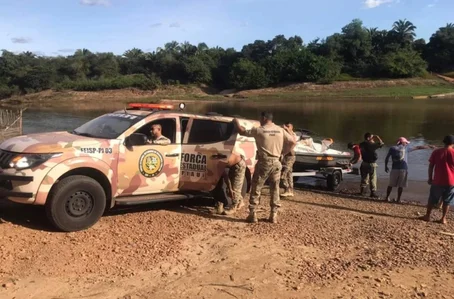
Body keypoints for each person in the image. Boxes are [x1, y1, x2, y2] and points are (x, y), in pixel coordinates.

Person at [233, 112, 296, 224]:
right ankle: (273, 215)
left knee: (256, 187)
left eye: (260, 118)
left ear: (264, 118)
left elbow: (242, 131)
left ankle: (253, 214)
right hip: (276, 162)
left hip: (264, 162)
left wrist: (235, 122)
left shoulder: (259, 130)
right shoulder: (280, 130)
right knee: (275, 188)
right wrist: (283, 152)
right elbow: (292, 142)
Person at [384, 137, 436, 203]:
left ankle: (386, 197)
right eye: (406, 143)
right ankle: (398, 199)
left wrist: (386, 166)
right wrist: (429, 146)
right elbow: (418, 147)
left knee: (390, 184)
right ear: (402, 142)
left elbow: (387, 158)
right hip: (403, 169)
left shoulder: (392, 148)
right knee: (401, 185)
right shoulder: (406, 148)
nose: (406, 144)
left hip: (394, 169)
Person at [419, 135, 454, 225]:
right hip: (451, 181)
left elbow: (431, 166)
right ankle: (443, 218)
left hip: (438, 180)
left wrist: (430, 178)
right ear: (452, 143)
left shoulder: (436, 152)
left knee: (432, 199)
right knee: (447, 200)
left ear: (444, 142)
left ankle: (427, 216)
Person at [359, 132, 384, 198]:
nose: (373, 139)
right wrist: (378, 138)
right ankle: (373, 193)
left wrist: (372, 139)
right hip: (371, 164)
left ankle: (362, 192)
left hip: (364, 163)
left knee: (364, 178)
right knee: (373, 178)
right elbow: (381, 144)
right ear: (368, 138)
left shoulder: (361, 144)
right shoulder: (371, 144)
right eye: (372, 137)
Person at [281, 122, 298, 197]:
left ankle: (287, 189)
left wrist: (287, 129)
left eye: (288, 126)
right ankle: (290, 190)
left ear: (292, 127)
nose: (286, 128)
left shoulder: (293, 134)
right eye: (286, 126)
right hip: (285, 156)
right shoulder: (284, 134)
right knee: (289, 173)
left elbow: (293, 141)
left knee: (283, 174)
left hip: (290, 156)